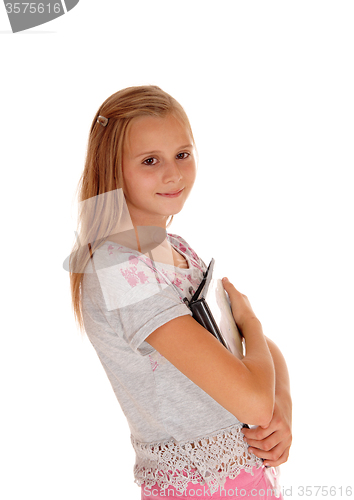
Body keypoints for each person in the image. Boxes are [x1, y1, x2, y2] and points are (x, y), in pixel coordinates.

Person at [69, 85, 292, 499]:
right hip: (201, 489)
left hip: (248, 479)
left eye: (182, 155)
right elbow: (252, 398)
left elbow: (251, 358)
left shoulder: (177, 249)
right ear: (113, 168)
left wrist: (283, 410)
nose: (173, 174)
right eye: (150, 160)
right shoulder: (121, 272)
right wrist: (252, 322)